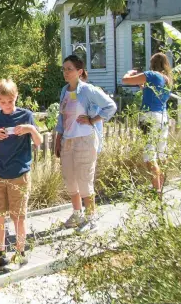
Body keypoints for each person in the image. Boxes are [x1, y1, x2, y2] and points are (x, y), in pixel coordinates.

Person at [0, 79, 42, 274]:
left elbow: (39, 141)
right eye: (4, 102)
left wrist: (31, 129)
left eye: (11, 101)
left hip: (19, 173)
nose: (8, 105)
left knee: (18, 217)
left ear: (16, 96)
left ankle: (20, 252)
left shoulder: (26, 115)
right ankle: (0, 253)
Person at [55, 55, 117, 231]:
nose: (66, 72)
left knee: (84, 179)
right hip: (68, 140)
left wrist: (93, 119)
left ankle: (91, 217)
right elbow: (62, 117)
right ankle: (77, 214)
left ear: (79, 71)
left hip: (85, 140)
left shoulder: (88, 90)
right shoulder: (64, 90)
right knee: (69, 179)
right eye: (64, 69)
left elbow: (110, 106)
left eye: (70, 69)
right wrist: (58, 139)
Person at [122, 52, 173, 192]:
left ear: (152, 64)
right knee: (161, 153)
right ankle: (161, 185)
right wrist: (144, 89)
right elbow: (156, 94)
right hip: (163, 117)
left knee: (149, 155)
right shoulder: (167, 80)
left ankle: (156, 190)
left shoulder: (151, 74)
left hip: (150, 117)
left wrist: (129, 73)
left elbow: (125, 80)